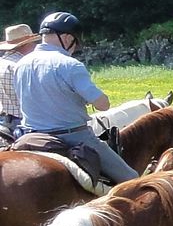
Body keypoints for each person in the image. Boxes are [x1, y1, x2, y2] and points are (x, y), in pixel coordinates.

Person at [13, 12, 139, 183]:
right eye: (75, 42)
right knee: (132, 179)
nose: (74, 48)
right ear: (66, 38)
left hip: (30, 136)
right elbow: (103, 105)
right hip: (73, 137)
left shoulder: (20, 65)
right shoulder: (70, 65)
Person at [0, 23, 42, 135]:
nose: (34, 46)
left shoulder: (2, 63)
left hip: (5, 120)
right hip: (26, 122)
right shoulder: (22, 65)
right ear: (25, 45)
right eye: (33, 43)